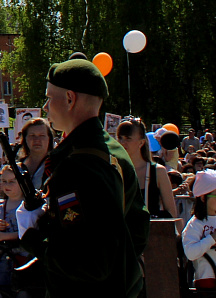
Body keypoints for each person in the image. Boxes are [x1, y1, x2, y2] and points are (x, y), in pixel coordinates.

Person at [17, 56, 147, 298]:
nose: (45, 107)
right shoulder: (115, 152)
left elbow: (88, 263)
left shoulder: (78, 164)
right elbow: (136, 229)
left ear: (69, 98)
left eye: (49, 97)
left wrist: (33, 238)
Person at [182, 169, 216, 290]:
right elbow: (191, 253)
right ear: (203, 198)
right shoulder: (195, 224)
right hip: (205, 281)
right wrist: (212, 238)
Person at [116, 118, 178, 220]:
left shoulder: (158, 171)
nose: (122, 142)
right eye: (120, 138)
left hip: (149, 232)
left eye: (128, 138)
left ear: (141, 143)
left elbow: (172, 214)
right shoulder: (113, 169)